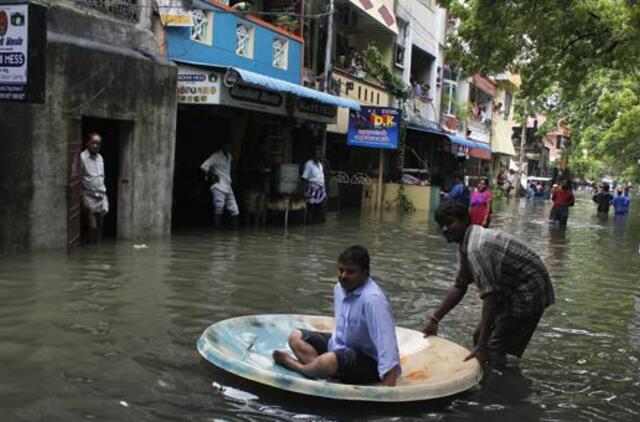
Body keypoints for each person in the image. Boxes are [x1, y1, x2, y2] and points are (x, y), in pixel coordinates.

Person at [424, 201, 555, 367]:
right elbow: (459, 286)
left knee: (492, 348)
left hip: (529, 290)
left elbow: (490, 299)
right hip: (512, 288)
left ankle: (500, 386)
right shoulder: (466, 244)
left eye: (449, 223)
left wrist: (482, 347)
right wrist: (435, 319)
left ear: (464, 219)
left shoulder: (476, 248)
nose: (444, 229)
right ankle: (490, 369)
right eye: (441, 225)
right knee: (479, 338)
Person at [273, 245, 401, 386]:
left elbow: (387, 340)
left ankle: (300, 367)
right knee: (295, 337)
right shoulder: (339, 289)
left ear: (365, 273)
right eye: (340, 270)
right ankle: (324, 372)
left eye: (351, 272)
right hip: (340, 347)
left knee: (329, 360)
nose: (343, 276)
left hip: (368, 361)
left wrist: (389, 381)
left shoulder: (373, 299)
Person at [201, 143, 239, 229]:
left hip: (228, 185)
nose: (229, 147)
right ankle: (216, 231)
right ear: (222, 146)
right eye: (227, 146)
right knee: (219, 208)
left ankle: (235, 231)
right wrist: (212, 174)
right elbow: (204, 166)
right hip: (218, 186)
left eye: (230, 146)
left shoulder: (229, 156)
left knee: (234, 209)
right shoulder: (216, 156)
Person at [80, 132, 109, 244]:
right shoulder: (82, 158)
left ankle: (97, 248)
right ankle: (89, 249)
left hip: (101, 196)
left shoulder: (100, 158)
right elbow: (77, 179)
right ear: (88, 143)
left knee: (100, 226)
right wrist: (82, 198)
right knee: (92, 227)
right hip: (89, 196)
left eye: (98, 144)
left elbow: (101, 177)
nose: (96, 146)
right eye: (93, 143)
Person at [302, 146, 327, 223]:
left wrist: (324, 189)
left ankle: (317, 224)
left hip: (321, 188)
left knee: (321, 206)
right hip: (313, 188)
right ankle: (309, 223)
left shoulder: (320, 164)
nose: (318, 155)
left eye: (319, 154)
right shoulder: (309, 164)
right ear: (313, 155)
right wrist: (305, 191)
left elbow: (321, 177)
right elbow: (304, 178)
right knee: (311, 207)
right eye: (316, 154)